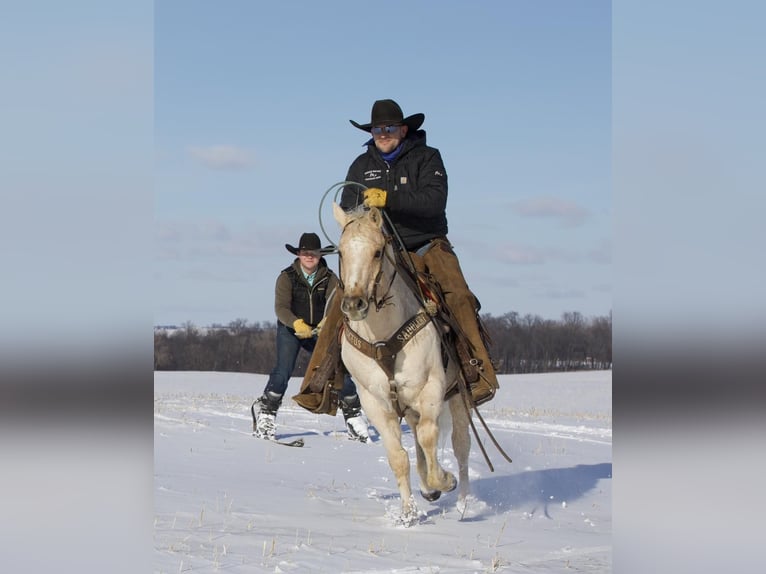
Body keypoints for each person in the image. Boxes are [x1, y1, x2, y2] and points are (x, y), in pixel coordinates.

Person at [296, 99, 499, 409]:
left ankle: (477, 371)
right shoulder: (361, 166)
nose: (383, 134)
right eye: (377, 129)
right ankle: (319, 383)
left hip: (425, 244)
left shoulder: (427, 158)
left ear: (404, 129)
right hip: (380, 249)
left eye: (389, 128)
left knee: (458, 295)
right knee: (342, 299)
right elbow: (350, 210)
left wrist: (390, 198)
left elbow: (434, 201)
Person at [252, 232, 370, 442]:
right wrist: (296, 323)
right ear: (298, 254)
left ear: (319, 255)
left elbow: (335, 304)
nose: (309, 257)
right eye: (305, 253)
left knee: (337, 369)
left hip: (319, 332)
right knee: (283, 371)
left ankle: (353, 415)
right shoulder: (286, 277)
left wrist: (327, 322)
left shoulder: (330, 278)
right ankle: (266, 411)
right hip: (291, 330)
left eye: (313, 253)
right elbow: (281, 307)